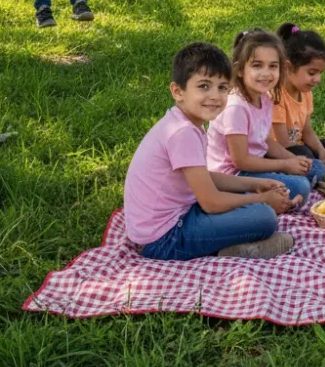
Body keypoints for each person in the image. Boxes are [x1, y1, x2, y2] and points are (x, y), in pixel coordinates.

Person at [124, 42, 293, 261]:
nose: (215, 96)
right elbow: (211, 202)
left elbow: (205, 177)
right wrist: (262, 198)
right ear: (178, 91)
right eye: (204, 86)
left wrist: (254, 184)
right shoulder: (182, 133)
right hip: (164, 240)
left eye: (222, 87)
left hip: (177, 217)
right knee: (264, 217)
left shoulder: (187, 123)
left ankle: (233, 246)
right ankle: (237, 249)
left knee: (252, 203)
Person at [205, 29, 320, 202]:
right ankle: (258, 199)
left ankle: (276, 194)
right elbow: (241, 161)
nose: (266, 73)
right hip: (233, 176)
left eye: (273, 66)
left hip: (256, 166)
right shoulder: (236, 108)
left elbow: (267, 141)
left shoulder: (265, 98)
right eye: (257, 65)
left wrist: (294, 159)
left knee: (316, 168)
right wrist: (284, 165)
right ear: (240, 70)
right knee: (301, 186)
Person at [271, 23, 325, 167]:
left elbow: (307, 131)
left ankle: (318, 166)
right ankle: (315, 167)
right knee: (304, 152)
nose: (318, 79)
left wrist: (321, 151)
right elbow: (283, 143)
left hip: (301, 148)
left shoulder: (306, 93)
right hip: (280, 153)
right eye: (312, 73)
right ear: (288, 67)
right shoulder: (276, 95)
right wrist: (308, 158)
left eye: (320, 73)